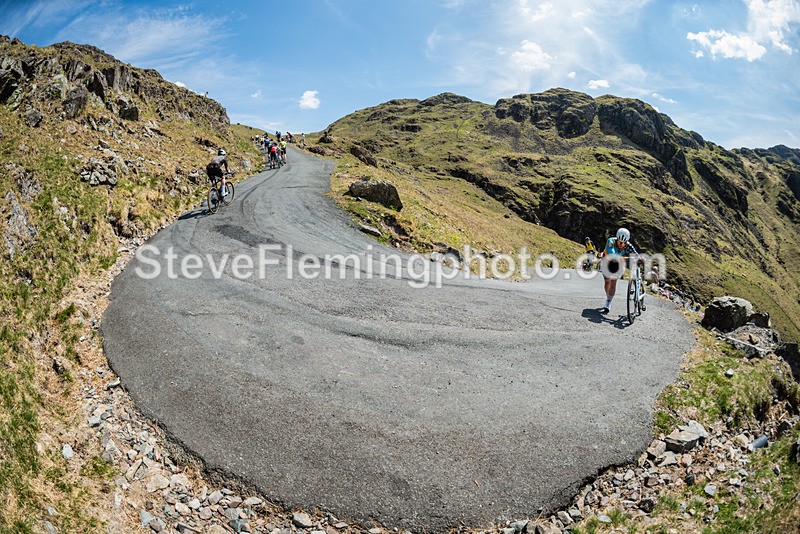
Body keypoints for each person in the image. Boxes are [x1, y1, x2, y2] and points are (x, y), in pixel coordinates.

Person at [596, 227, 637, 314]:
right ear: (617, 239)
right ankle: (608, 296)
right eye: (619, 242)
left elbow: (635, 254)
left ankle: (608, 301)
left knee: (613, 281)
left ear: (626, 242)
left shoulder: (628, 245)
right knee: (607, 282)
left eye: (623, 243)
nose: (621, 244)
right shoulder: (611, 241)